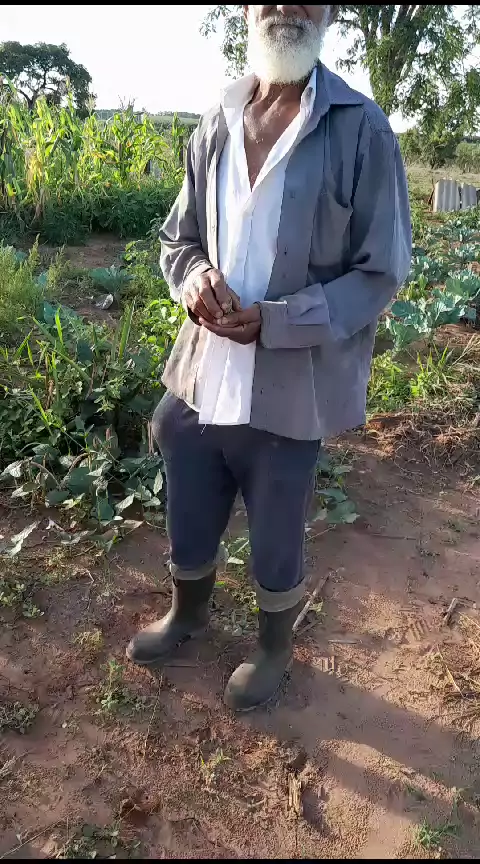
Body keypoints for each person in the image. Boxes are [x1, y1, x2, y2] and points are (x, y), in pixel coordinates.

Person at [126, 4, 412, 711]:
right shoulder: (216, 121)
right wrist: (194, 278)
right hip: (205, 367)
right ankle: (188, 613)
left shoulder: (361, 129)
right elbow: (179, 239)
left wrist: (282, 321)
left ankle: (274, 645)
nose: (285, 6)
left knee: (278, 508)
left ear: (331, 11)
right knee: (184, 456)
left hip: (293, 376)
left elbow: (381, 270)